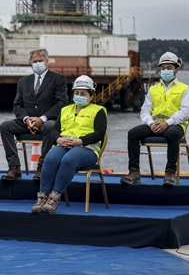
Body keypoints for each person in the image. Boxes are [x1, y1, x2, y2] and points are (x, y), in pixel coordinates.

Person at [31, 75, 107, 214]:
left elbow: (100, 133)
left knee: (68, 160)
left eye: (83, 94)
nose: (79, 96)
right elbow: (54, 130)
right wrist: (58, 140)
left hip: (87, 149)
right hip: (64, 145)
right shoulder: (65, 110)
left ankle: (54, 197)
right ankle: (42, 196)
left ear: (91, 96)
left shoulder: (98, 111)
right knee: (50, 158)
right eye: (76, 93)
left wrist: (80, 141)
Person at [0, 48, 68, 181]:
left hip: (47, 121)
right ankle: (14, 167)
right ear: (30, 63)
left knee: (50, 127)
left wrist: (41, 119)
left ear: (47, 62)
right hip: (27, 122)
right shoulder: (23, 82)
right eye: (34, 61)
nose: (37, 63)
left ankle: (42, 167)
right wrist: (26, 119)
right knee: (5, 126)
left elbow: (61, 104)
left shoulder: (58, 79)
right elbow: (17, 105)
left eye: (40, 61)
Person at [121, 52, 188, 187]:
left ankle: (170, 172)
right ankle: (134, 172)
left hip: (175, 125)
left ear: (176, 70)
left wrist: (167, 123)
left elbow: (186, 112)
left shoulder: (185, 89)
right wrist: (151, 123)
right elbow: (145, 110)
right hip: (155, 125)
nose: (165, 71)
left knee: (172, 133)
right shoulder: (153, 89)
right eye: (163, 68)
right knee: (133, 133)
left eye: (169, 67)